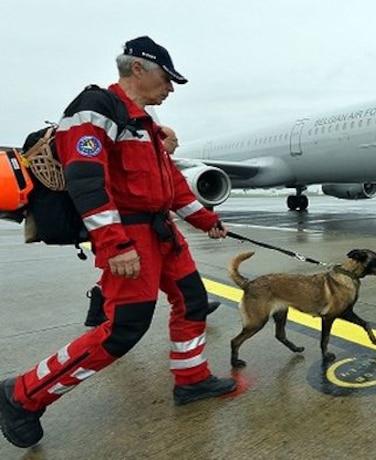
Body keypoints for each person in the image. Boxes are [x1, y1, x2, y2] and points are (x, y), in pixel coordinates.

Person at [0, 36, 236, 450]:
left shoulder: (144, 124)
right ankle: (21, 394)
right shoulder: (93, 110)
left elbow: (173, 186)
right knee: (121, 330)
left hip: (162, 233)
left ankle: (192, 379)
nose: (172, 87)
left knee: (193, 301)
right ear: (138, 69)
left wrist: (207, 220)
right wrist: (114, 244)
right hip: (129, 235)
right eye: (167, 77)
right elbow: (86, 182)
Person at [83, 125, 220, 327]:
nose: (177, 145)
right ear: (162, 139)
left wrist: (208, 221)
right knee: (128, 310)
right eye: (174, 141)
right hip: (133, 230)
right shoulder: (144, 155)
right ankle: (102, 317)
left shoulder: (160, 159)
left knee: (176, 280)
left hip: (158, 229)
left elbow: (179, 196)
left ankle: (195, 304)